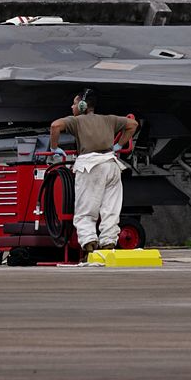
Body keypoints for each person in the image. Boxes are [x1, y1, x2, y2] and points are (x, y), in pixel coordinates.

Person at [46, 90, 138, 256]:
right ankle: (109, 241)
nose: (71, 106)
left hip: (90, 167)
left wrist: (54, 147)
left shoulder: (76, 121)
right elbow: (133, 125)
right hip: (111, 165)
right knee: (111, 207)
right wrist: (119, 145)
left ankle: (89, 242)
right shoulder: (109, 119)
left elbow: (55, 126)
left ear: (82, 106)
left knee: (86, 208)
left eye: (74, 103)